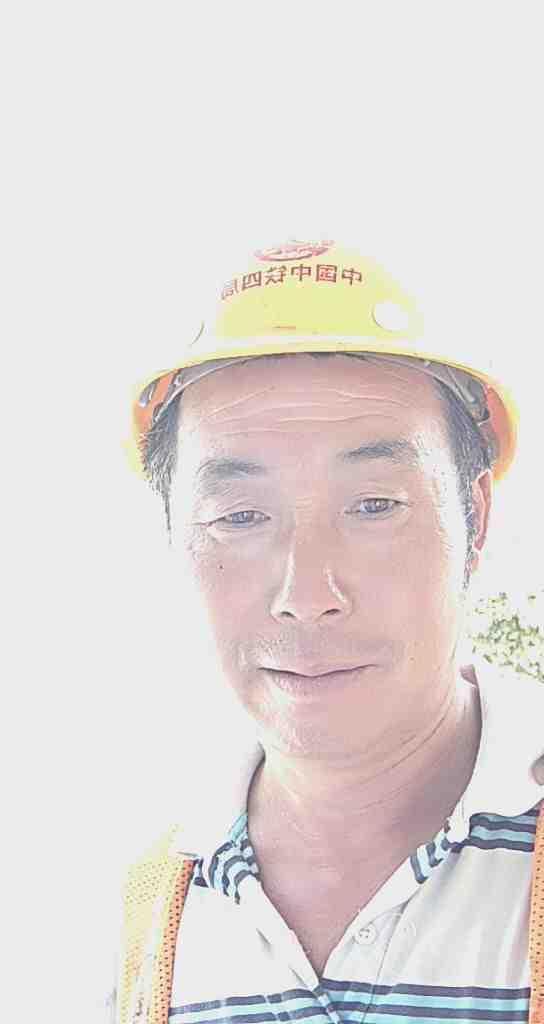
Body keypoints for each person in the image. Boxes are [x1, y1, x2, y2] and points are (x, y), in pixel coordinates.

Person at [112, 241, 544, 1024]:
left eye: (374, 506)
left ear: (475, 519)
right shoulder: (150, 921)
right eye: (240, 516)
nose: (307, 596)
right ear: (174, 541)